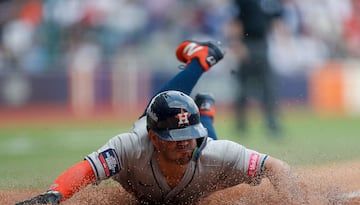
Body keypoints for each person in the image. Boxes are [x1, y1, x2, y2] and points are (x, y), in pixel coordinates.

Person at [16, 40, 308, 205]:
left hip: (204, 170)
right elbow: (87, 170)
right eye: (175, 137)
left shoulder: (213, 152)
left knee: (209, 161)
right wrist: (53, 196)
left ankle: (204, 98)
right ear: (154, 138)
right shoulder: (130, 147)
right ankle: (203, 86)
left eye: (190, 134)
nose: (185, 143)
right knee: (161, 105)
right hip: (153, 132)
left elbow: (275, 167)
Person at [228, 0, 284, 136]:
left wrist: (280, 43)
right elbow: (236, 21)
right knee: (243, 88)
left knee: (269, 87)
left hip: (263, 44)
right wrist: (237, 44)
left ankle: (272, 123)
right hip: (247, 43)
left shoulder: (270, 2)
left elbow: (276, 21)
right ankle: (241, 125)